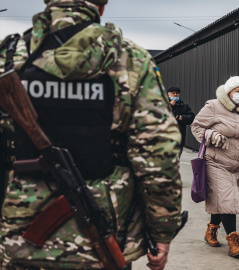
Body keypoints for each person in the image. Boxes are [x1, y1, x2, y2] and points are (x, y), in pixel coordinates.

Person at [0, 1, 182, 269]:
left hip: (18, 240)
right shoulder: (130, 60)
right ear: (101, 7)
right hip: (102, 241)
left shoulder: (9, 55)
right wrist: (161, 233)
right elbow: (158, 155)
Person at [191, 76, 239, 257]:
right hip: (215, 161)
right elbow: (196, 127)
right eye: (238, 91)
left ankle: (211, 230)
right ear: (228, 92)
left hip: (237, 165)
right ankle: (233, 242)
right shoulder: (213, 106)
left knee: (222, 200)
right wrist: (212, 135)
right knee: (228, 199)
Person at [167, 86, 195, 157]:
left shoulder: (184, 106)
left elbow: (191, 117)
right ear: (169, 95)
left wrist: (181, 117)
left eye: (177, 93)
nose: (175, 95)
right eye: (173, 93)